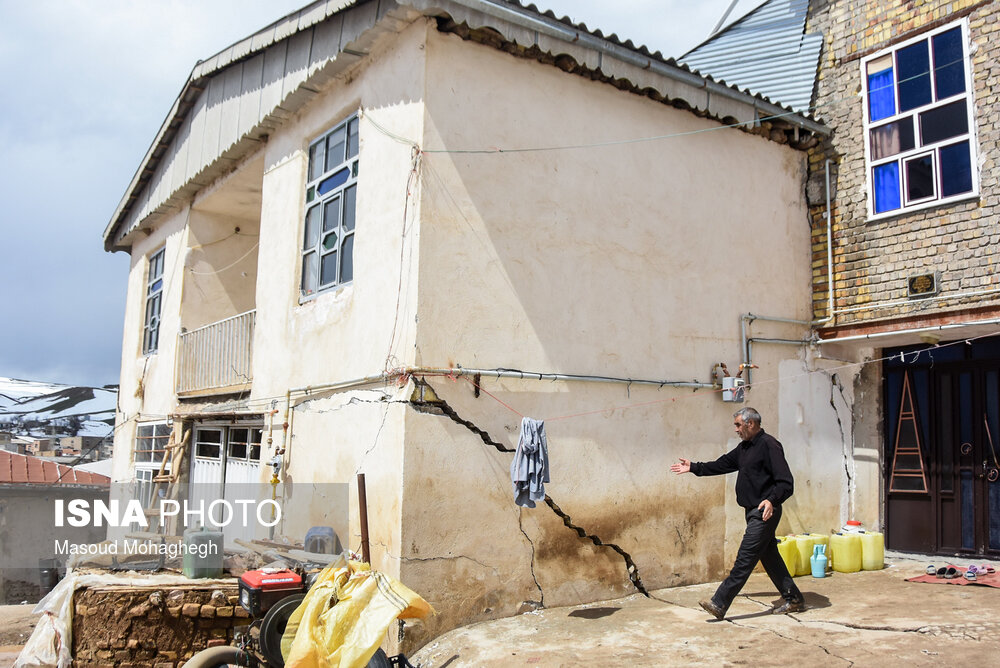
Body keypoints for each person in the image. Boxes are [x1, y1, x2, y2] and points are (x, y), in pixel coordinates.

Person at [671, 406, 804, 619]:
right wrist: (694, 467)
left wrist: (771, 500)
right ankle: (794, 598)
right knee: (770, 557)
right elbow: (722, 464)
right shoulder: (744, 448)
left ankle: (719, 603)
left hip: (764, 513)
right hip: (751, 511)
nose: (736, 430)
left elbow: (786, 483)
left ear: (751, 423)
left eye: (738, 425)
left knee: (745, 558)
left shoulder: (770, 445)